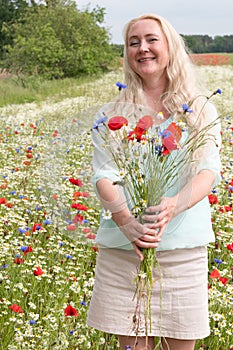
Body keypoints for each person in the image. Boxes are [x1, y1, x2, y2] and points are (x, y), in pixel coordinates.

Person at [87, 14, 221, 350]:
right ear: (127, 54)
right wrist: (128, 223)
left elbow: (208, 171)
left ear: (170, 47)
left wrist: (174, 206)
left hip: (181, 253)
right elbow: (104, 175)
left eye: (151, 39)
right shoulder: (112, 114)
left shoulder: (200, 111)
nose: (142, 48)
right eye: (134, 42)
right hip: (125, 253)